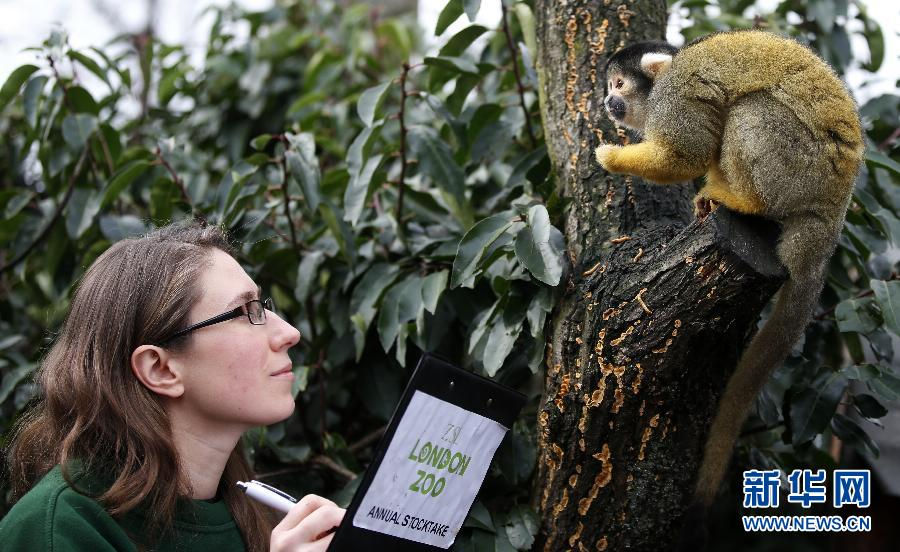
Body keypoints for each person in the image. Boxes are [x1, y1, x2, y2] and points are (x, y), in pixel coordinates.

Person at [0, 222, 344, 551]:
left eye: (263, 307)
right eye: (245, 311)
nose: (289, 333)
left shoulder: (255, 513)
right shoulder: (60, 528)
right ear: (161, 369)